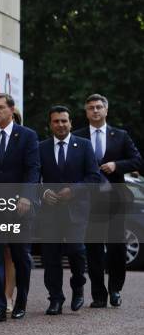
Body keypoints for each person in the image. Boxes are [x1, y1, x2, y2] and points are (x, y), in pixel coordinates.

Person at [73, 94, 142, 308]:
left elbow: (137, 160)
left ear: (106, 110)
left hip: (115, 201)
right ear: (86, 112)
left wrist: (116, 165)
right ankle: (99, 295)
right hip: (90, 202)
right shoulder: (78, 137)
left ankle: (115, 290)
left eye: (99, 107)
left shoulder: (120, 136)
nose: (95, 111)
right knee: (93, 249)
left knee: (116, 248)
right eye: (91, 108)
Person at [0, 93, 40, 322]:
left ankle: (21, 302)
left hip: (19, 208)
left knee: (20, 256)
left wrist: (26, 196)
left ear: (11, 110)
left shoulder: (27, 136)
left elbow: (33, 168)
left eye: (1, 108)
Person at [38, 105, 101, 315]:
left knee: (76, 251)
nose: (60, 125)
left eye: (64, 121)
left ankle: (78, 287)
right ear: (50, 125)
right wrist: (43, 192)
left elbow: (94, 177)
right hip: (50, 212)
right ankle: (55, 298)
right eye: (56, 121)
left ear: (71, 123)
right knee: (51, 258)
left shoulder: (83, 146)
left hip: (76, 210)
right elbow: (34, 178)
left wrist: (73, 191)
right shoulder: (41, 148)